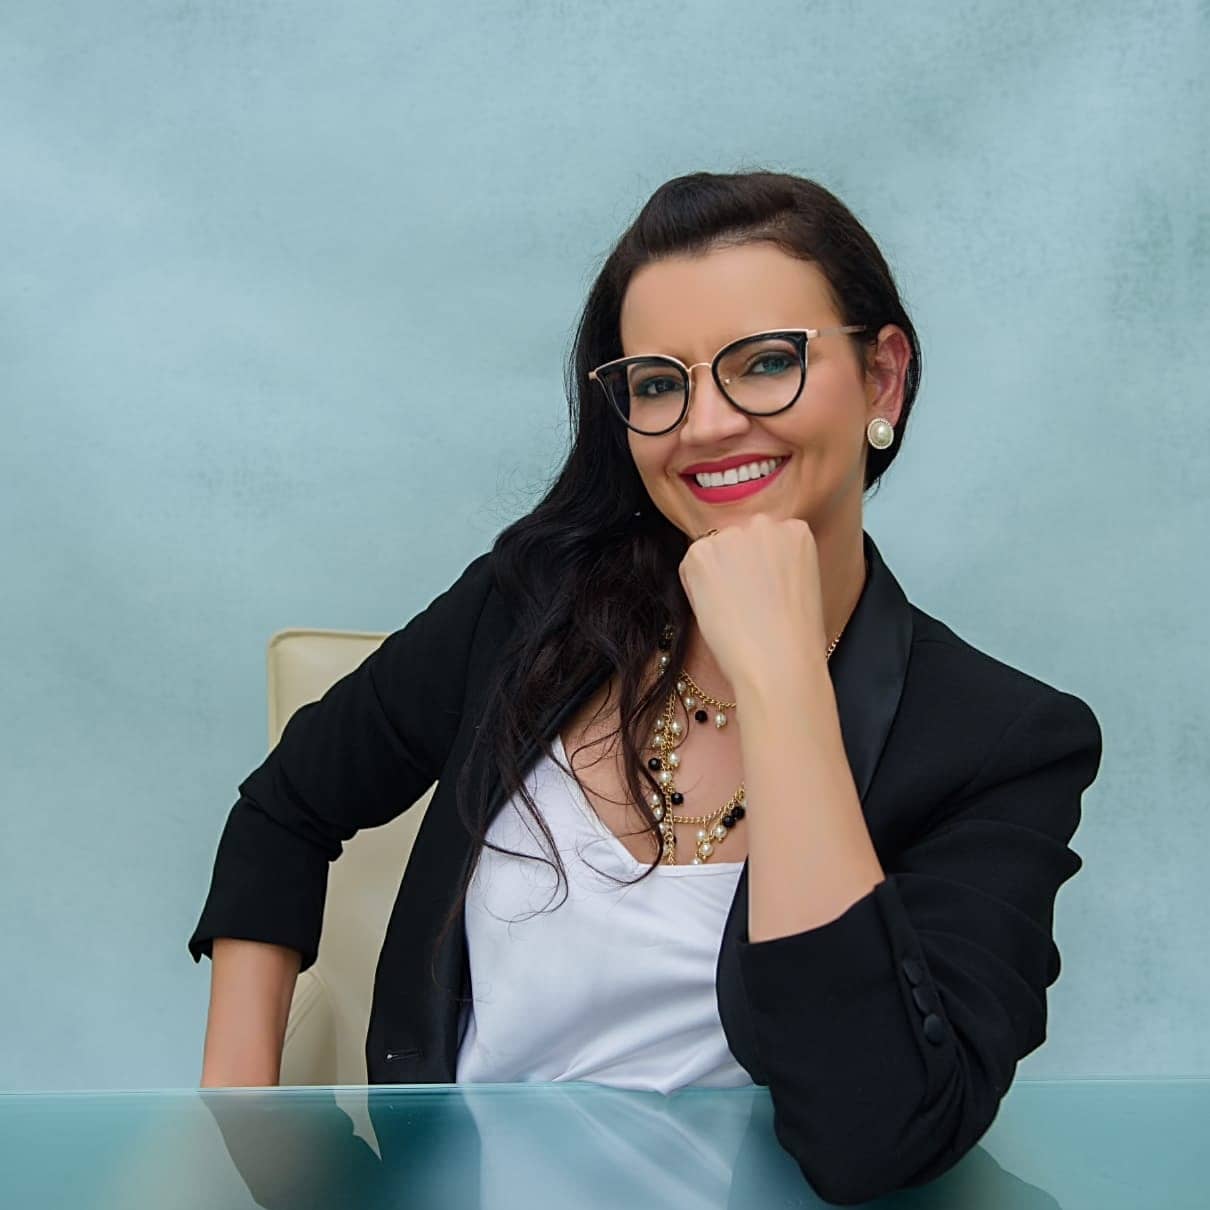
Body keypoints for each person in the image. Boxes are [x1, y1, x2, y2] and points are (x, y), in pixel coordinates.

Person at [188, 169, 1103, 1204]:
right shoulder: (531, 608)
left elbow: (874, 1137)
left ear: (882, 379)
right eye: (660, 384)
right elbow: (285, 809)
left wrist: (782, 677)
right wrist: (250, 1127)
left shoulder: (1000, 742)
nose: (704, 425)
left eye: (767, 363)